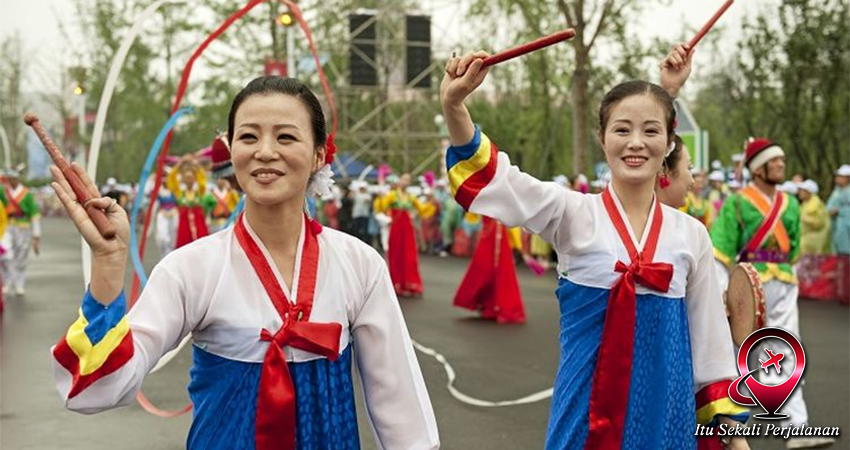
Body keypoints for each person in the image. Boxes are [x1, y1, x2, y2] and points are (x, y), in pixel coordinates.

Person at [49, 76, 439, 449]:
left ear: (320, 153)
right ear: (231, 148)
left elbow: (400, 407)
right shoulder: (191, 267)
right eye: (248, 136)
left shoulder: (359, 264)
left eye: (285, 136)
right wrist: (108, 263)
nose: (265, 151)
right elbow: (98, 388)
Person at [441, 44, 748, 449]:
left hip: (666, 417)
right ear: (602, 140)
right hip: (585, 416)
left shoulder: (692, 235)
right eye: (622, 130)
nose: (636, 142)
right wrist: (454, 105)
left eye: (651, 131)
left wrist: (736, 439)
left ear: (669, 142)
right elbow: (497, 180)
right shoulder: (572, 212)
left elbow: (711, 347)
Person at [711, 140, 834, 450]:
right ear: (758, 168)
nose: (782, 165)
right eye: (775, 161)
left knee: (788, 349)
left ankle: (796, 428)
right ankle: (732, 428)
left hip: (784, 282)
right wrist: (726, 290)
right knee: (744, 353)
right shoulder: (736, 203)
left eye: (782, 160)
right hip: (750, 282)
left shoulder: (790, 204)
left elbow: (793, 248)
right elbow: (721, 249)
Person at [453, 215, 526, 324]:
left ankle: (496, 306)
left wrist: (517, 244)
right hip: (491, 232)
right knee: (486, 268)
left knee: (497, 270)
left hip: (497, 232)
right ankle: (490, 305)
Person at [374, 173, 434, 297]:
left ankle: (410, 283)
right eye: (404, 179)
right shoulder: (392, 195)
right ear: (399, 180)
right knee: (395, 254)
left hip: (407, 229)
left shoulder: (411, 197)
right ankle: (396, 283)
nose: (406, 182)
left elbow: (422, 210)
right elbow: (381, 208)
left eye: (408, 180)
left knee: (410, 255)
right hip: (396, 228)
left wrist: (430, 202)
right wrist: (380, 198)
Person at [2, 169, 41, 297]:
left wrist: (36, 235)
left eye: (13, 179)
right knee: (6, 255)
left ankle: (19, 284)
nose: (11, 181)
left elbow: (34, 215)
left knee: (21, 256)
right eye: (9, 179)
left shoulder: (27, 194)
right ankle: (7, 283)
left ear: (18, 179)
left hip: (23, 227)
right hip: (7, 227)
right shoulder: (3, 192)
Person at [167, 155, 210, 248]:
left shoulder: (199, 191)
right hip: (184, 229)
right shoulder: (179, 192)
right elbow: (171, 179)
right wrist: (180, 164)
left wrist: (196, 165)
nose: (189, 179)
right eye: (187, 178)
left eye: (191, 177)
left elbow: (203, 178)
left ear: (194, 178)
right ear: (183, 179)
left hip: (199, 227)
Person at [798, 180, 831, 255]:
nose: (799, 192)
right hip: (805, 238)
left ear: (808, 192)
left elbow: (818, 223)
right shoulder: (806, 203)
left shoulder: (815, 205)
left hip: (812, 240)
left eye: (802, 190)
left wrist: (804, 218)